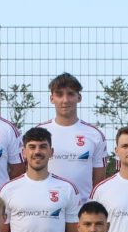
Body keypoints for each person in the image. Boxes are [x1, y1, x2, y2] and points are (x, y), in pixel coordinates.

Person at [37, 72, 107, 200]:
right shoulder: (39, 132)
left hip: (82, 211)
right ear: (51, 98)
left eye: (70, 94)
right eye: (59, 94)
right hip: (46, 208)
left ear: (79, 98)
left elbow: (99, 180)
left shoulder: (94, 135)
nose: (65, 100)